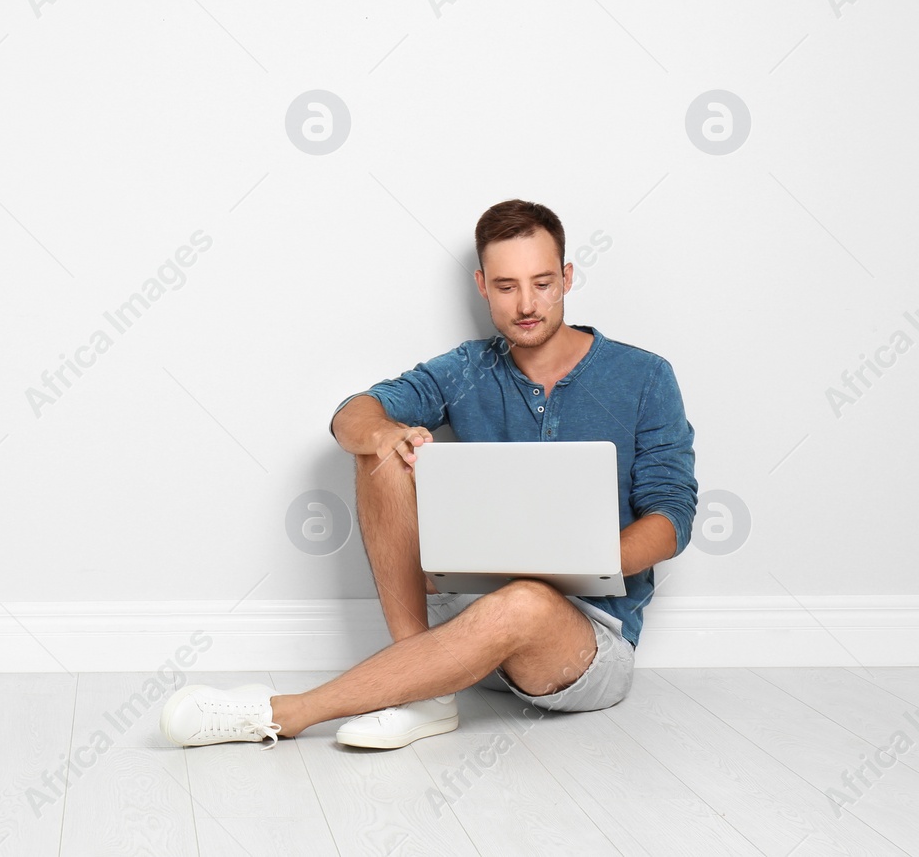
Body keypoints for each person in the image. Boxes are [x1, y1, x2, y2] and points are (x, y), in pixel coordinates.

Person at [160, 199, 698, 748]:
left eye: (541, 283)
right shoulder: (468, 369)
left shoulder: (645, 376)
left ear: (566, 278)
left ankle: (287, 712)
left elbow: (672, 519)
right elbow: (353, 414)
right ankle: (429, 694)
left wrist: (575, 563)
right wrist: (384, 436)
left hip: (580, 640)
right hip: (466, 616)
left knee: (525, 602)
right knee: (381, 450)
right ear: (483, 285)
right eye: (507, 286)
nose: (527, 304)